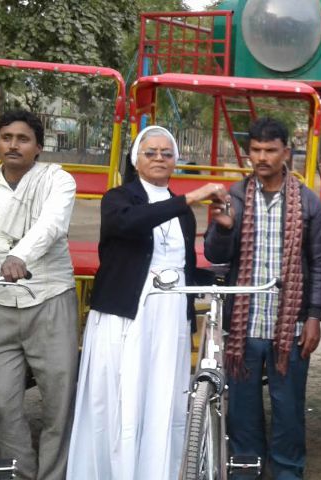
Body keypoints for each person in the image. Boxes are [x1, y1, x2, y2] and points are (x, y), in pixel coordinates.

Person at [66, 125, 227, 479]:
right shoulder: (118, 198)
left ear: (175, 162)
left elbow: (181, 269)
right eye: (150, 152)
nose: (158, 159)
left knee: (161, 399)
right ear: (136, 159)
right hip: (125, 315)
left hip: (168, 318)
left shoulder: (183, 213)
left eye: (166, 154)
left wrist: (225, 240)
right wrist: (189, 197)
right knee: (118, 398)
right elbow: (130, 225)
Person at [204, 117, 321, 479]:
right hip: (244, 324)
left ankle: (288, 471)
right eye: (256, 150)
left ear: (285, 153)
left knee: (288, 406)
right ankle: (247, 468)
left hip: (288, 325)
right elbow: (215, 255)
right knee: (242, 407)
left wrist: (314, 316)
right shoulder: (234, 196)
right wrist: (224, 229)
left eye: (270, 150)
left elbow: (320, 264)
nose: (262, 157)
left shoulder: (308, 203)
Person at [0, 110, 78, 480]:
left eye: (23, 139)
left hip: (50, 299)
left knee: (58, 404)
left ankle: (53, 476)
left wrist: (19, 256)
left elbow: (51, 225)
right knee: (5, 405)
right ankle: (19, 474)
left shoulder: (58, 181)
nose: (13, 144)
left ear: (38, 147)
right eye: (6, 137)